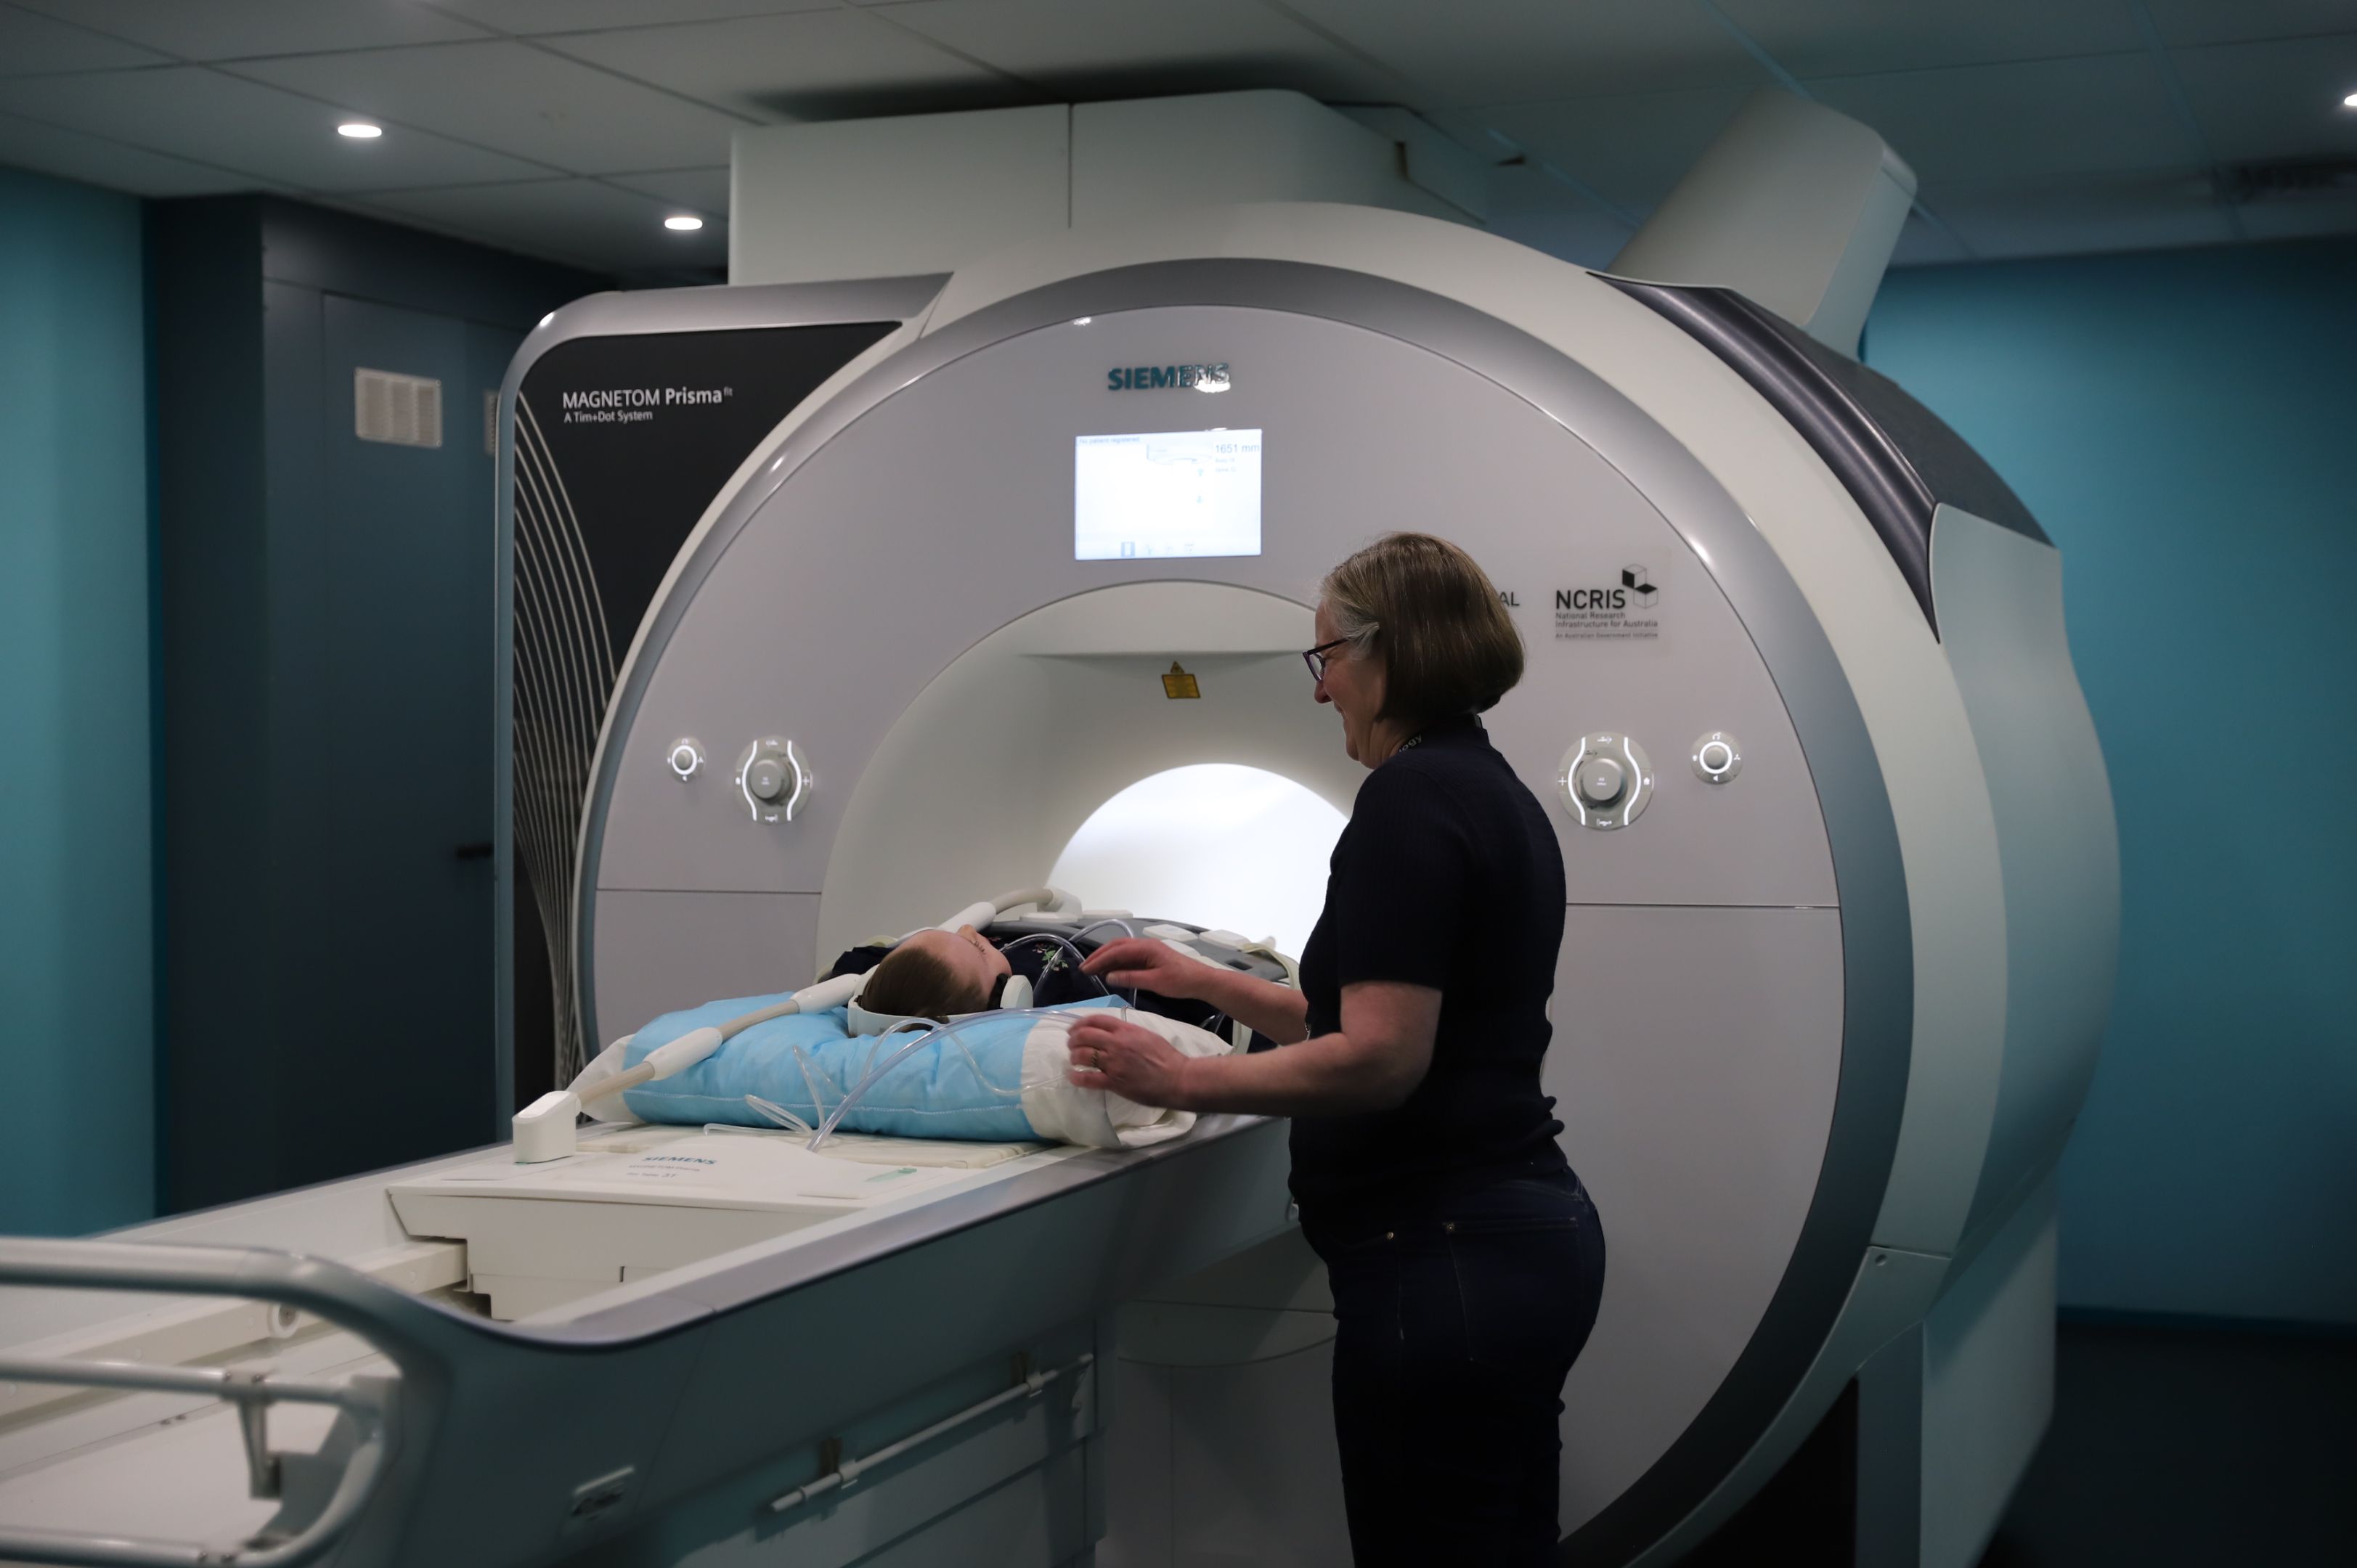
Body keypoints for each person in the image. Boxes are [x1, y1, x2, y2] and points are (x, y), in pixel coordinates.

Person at [1067, 531, 1605, 1565]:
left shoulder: (1407, 803)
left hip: (1440, 1263)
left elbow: (1379, 1060)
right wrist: (1209, 984)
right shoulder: (1485, 789)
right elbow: (1399, 1027)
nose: (1322, 692)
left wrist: (1180, 1074)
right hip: (1509, 1244)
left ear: (1387, 651)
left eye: (1328, 660)